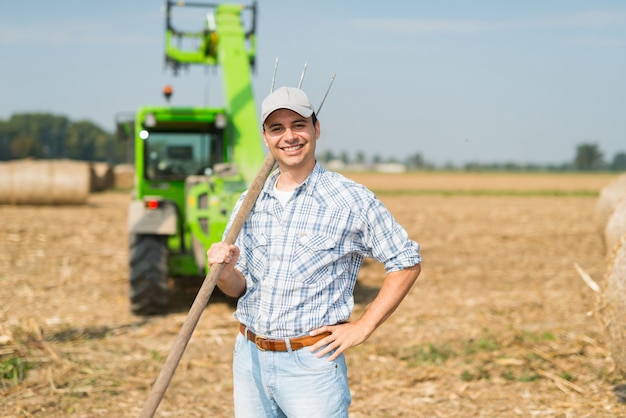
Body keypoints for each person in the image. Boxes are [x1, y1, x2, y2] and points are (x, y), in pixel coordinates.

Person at [206, 86, 421, 417]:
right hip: (249, 359)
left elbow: (405, 261)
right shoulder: (249, 201)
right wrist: (225, 271)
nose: (289, 136)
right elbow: (238, 288)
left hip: (310, 366)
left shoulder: (350, 198)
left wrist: (363, 326)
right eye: (277, 128)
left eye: (298, 125)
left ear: (316, 129)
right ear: (265, 137)